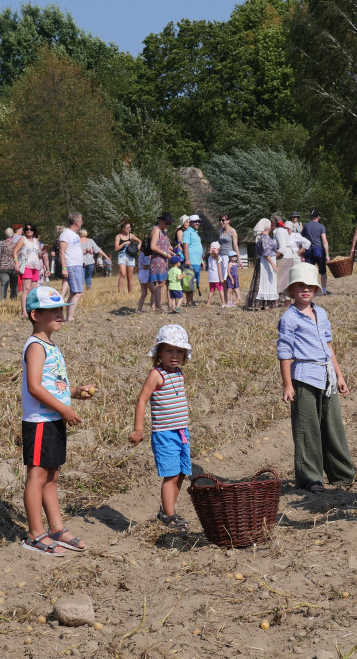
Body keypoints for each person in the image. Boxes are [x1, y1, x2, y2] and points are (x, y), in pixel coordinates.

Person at [20, 286, 95, 555]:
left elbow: (53, 386)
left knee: (51, 476)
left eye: (60, 309)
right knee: (37, 476)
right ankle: (35, 534)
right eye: (52, 310)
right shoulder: (36, 347)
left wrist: (74, 393)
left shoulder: (51, 346)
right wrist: (64, 410)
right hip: (40, 420)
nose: (59, 314)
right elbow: (34, 387)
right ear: (35, 315)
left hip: (52, 418)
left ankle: (56, 529)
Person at [278, 262, 357, 491]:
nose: (305, 289)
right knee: (308, 429)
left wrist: (340, 375)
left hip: (326, 376)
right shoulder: (289, 318)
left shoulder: (321, 313)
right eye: (299, 286)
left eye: (309, 285)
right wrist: (288, 385)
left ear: (316, 289)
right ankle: (310, 478)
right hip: (304, 377)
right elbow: (284, 353)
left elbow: (328, 346)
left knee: (333, 425)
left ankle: (343, 472)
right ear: (291, 291)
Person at [129, 324, 194, 531]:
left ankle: (167, 510)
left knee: (182, 472)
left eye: (179, 351)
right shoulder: (157, 375)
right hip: (164, 434)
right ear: (159, 352)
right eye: (169, 350)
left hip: (182, 432)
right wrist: (138, 429)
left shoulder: (179, 373)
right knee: (171, 474)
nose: (175, 355)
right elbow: (141, 401)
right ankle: (169, 515)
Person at [57, 213, 86, 321]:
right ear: (77, 222)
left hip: (77, 265)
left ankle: (68, 316)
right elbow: (61, 251)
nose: (82, 223)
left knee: (74, 292)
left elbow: (74, 250)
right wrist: (64, 268)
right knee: (78, 293)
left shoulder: (75, 235)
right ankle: (70, 317)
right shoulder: (66, 234)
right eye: (81, 220)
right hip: (71, 266)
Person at [246, 218, 279, 311]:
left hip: (265, 261)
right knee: (265, 283)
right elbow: (266, 254)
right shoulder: (264, 238)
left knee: (266, 283)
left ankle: (266, 304)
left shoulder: (263, 237)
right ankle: (265, 305)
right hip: (265, 263)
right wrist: (273, 264)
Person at [13, 224, 42, 317]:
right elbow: (15, 252)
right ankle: (24, 311)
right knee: (26, 289)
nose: (29, 231)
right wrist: (16, 263)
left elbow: (38, 254)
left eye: (31, 229)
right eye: (27, 229)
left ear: (34, 231)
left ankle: (32, 309)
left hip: (35, 267)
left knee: (33, 290)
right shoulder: (22, 239)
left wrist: (43, 252)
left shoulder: (35, 240)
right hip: (26, 266)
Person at [148, 213, 175, 313]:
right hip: (157, 261)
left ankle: (153, 307)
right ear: (161, 221)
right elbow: (153, 246)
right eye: (167, 223)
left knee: (160, 284)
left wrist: (170, 251)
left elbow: (163, 245)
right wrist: (165, 253)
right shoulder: (156, 230)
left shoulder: (162, 231)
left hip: (163, 260)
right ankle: (158, 307)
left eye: (169, 224)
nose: (168, 225)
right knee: (159, 284)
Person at [302, 210, 331, 296]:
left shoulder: (306, 226)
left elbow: (302, 238)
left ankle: (311, 290)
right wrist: (327, 255)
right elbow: (324, 241)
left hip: (308, 250)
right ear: (318, 216)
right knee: (322, 271)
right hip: (319, 251)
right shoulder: (321, 226)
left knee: (309, 271)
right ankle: (324, 290)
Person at [272, 215, 297, 304]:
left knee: (280, 279)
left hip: (284, 256)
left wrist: (272, 258)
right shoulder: (279, 231)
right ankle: (286, 300)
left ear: (273, 223)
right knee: (285, 279)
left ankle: (280, 301)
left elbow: (282, 248)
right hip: (286, 256)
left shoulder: (280, 232)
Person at [113, 221, 142, 296]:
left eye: (130, 227)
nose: (129, 228)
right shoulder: (118, 236)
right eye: (128, 227)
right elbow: (116, 248)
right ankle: (119, 293)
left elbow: (140, 241)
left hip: (130, 257)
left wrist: (139, 245)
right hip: (122, 256)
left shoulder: (131, 235)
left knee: (130, 276)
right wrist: (124, 243)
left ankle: (130, 293)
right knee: (123, 274)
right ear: (123, 228)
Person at [182, 215, 204, 305]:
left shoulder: (195, 232)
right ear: (190, 222)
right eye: (195, 221)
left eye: (198, 221)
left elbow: (197, 247)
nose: (197, 223)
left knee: (195, 281)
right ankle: (188, 301)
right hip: (191, 261)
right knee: (189, 281)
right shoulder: (188, 232)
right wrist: (187, 259)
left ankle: (191, 300)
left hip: (197, 261)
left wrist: (201, 260)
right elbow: (185, 246)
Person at [217, 215, 241, 289]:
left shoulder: (232, 231)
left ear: (228, 221)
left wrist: (239, 259)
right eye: (220, 220)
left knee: (227, 278)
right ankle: (225, 298)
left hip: (228, 257)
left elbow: (235, 246)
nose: (221, 222)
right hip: (221, 256)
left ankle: (236, 297)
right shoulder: (221, 230)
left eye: (223, 220)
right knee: (222, 278)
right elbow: (220, 243)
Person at [0, 226, 19, 301]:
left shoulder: (0, 244)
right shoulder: (15, 244)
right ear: (13, 235)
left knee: (4, 284)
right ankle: (13, 299)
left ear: (5, 235)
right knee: (14, 285)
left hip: (3, 267)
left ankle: (3, 300)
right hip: (13, 266)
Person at [205, 241, 224, 306]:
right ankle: (223, 302)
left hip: (210, 277)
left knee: (211, 290)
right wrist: (221, 278)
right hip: (217, 277)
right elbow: (219, 269)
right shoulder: (219, 258)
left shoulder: (209, 257)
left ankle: (208, 302)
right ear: (218, 249)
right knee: (221, 290)